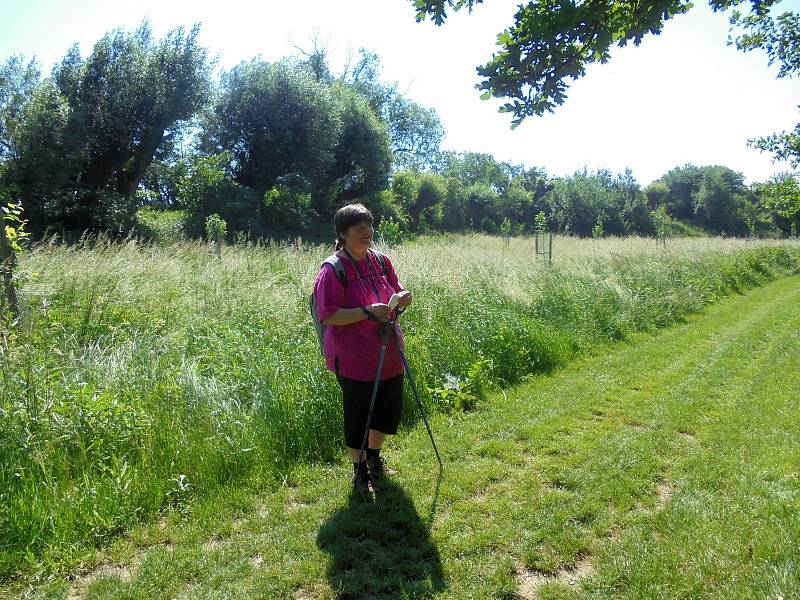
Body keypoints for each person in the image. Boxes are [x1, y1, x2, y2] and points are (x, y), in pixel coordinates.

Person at [313, 204, 412, 493]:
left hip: (387, 348)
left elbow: (395, 286)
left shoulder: (381, 261)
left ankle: (374, 459)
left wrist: (402, 296)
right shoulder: (333, 269)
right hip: (352, 356)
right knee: (359, 413)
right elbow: (329, 314)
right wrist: (367, 312)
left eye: (369, 226)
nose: (366, 232)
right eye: (358, 227)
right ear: (343, 234)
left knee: (387, 408)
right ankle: (359, 472)